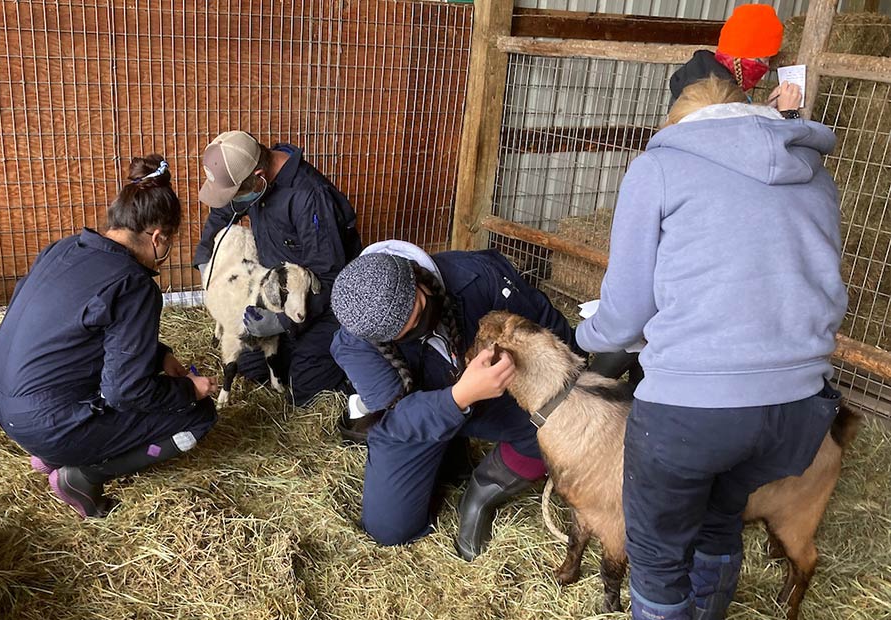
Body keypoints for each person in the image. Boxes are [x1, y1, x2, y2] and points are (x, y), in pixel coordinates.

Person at [574, 75, 848, 620]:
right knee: (720, 515)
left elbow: (625, 315)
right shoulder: (815, 172)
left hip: (694, 412)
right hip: (799, 407)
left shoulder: (658, 169)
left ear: (677, 124)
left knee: (656, 554)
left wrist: (586, 335)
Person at [0, 155, 220, 519]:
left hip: (2, 403)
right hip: (47, 424)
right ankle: (83, 474)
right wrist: (190, 390)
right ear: (158, 237)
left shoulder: (64, 249)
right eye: (169, 242)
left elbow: (83, 331)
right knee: (198, 416)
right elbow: (125, 392)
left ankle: (53, 453)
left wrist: (159, 355)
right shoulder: (134, 285)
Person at [328, 240, 583, 559]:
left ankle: (483, 489)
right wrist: (460, 396)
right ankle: (448, 451)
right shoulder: (355, 343)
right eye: (404, 334)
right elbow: (398, 419)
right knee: (389, 528)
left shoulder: (477, 276)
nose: (419, 326)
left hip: (494, 398)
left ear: (417, 277)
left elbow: (554, 333)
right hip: (421, 417)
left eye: (419, 312)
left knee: (562, 426)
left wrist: (519, 367)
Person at [193, 131, 361, 407]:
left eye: (238, 192)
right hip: (275, 294)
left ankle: (356, 370)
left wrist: (282, 322)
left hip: (322, 304)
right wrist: (205, 259)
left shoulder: (309, 197)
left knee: (305, 392)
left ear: (259, 176)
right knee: (250, 369)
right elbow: (224, 211)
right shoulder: (255, 180)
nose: (236, 198)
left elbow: (331, 277)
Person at [669, 4, 803, 119]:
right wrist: (787, 113)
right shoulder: (717, 95)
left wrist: (768, 108)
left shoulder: (698, 75)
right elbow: (741, 136)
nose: (766, 67)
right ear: (743, 58)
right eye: (764, 59)